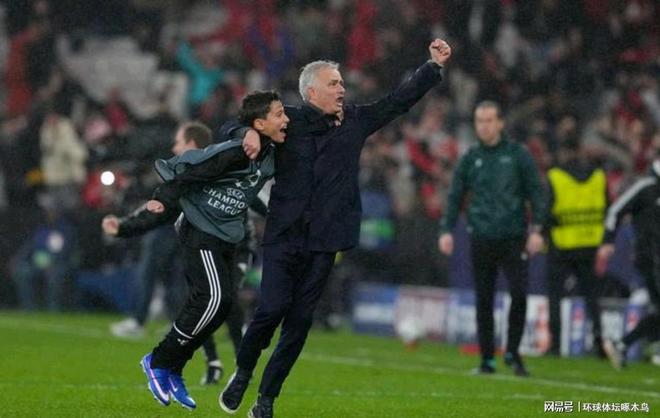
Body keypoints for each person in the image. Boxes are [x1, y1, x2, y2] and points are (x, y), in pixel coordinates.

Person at [219, 39, 452, 418]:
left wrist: (432, 67)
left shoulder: (355, 120)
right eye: (333, 83)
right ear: (311, 91)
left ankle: (266, 400)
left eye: (341, 83)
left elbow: (397, 101)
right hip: (284, 234)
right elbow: (233, 124)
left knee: (299, 324)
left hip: (326, 240)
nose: (342, 89)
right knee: (270, 310)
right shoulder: (287, 120)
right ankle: (243, 373)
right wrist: (243, 133)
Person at [102, 90, 288, 410]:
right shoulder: (236, 152)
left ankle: (173, 366)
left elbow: (255, 193)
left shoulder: (269, 153)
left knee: (220, 305)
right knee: (215, 299)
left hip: (226, 236)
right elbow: (193, 174)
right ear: (259, 123)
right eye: (279, 114)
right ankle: (159, 360)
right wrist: (162, 198)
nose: (286, 120)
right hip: (201, 230)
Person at [106, 121, 243, 385]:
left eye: (179, 142)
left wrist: (124, 227)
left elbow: (160, 210)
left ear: (191, 144)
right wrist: (124, 227)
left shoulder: (197, 173)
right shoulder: (205, 170)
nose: (174, 148)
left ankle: (215, 361)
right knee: (207, 299)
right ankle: (213, 362)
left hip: (209, 243)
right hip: (202, 242)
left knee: (211, 300)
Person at [438, 101, 545, 377]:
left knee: (519, 294)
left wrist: (537, 230)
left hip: (514, 236)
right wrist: (446, 229)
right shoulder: (470, 157)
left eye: (488, 121)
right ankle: (487, 359)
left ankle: (513, 352)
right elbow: (455, 195)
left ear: (500, 123)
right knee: (483, 298)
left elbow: (536, 193)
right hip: (481, 236)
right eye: (479, 121)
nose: (483, 126)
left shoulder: (518, 155)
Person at [544, 139, 608, 357]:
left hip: (562, 244)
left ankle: (555, 345)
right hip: (590, 244)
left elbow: (546, 212)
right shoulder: (598, 176)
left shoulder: (555, 177)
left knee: (555, 296)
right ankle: (599, 343)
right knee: (591, 296)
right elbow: (607, 208)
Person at [597, 159, 660, 369]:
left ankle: (624, 344)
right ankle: (637, 344)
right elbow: (616, 210)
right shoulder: (645, 187)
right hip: (650, 257)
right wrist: (607, 240)